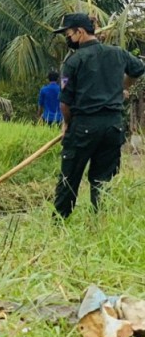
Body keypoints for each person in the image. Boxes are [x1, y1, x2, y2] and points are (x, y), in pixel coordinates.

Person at [52, 13, 143, 218]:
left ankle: (59, 225)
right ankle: (100, 225)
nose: (67, 39)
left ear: (80, 32)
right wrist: (122, 88)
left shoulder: (74, 61)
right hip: (113, 126)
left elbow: (65, 103)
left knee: (69, 179)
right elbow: (138, 68)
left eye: (68, 34)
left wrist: (67, 124)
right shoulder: (117, 53)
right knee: (103, 182)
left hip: (84, 126)